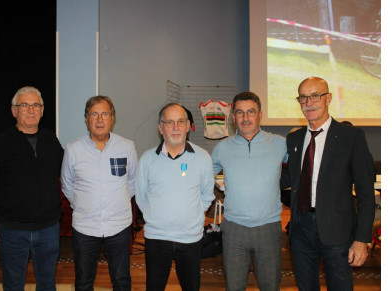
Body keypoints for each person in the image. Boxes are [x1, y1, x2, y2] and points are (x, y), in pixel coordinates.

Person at [281, 77, 375, 290]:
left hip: (338, 232)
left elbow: (366, 194)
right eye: (303, 97)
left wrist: (361, 240)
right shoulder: (294, 139)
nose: (308, 102)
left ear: (328, 98)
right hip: (300, 228)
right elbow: (289, 179)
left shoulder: (351, 136)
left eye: (315, 96)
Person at [0, 86, 64, 291]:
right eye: (24, 105)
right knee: (13, 285)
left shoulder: (51, 140)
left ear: (42, 110)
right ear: (14, 110)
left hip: (49, 228)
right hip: (12, 230)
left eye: (36, 105)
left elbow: (69, 173)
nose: (31, 110)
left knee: (47, 284)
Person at [211, 91, 287, 291]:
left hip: (269, 228)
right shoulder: (222, 148)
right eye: (240, 113)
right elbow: (201, 178)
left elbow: (304, 169)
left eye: (251, 112)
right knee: (234, 287)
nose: (245, 118)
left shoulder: (280, 144)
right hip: (234, 229)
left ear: (260, 115)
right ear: (233, 117)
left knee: (270, 286)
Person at [61, 96, 138, 291]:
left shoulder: (127, 147)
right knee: (84, 282)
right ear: (86, 119)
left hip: (119, 226)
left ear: (112, 118)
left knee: (121, 281)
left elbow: (133, 181)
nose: (99, 119)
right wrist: (83, 204)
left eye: (104, 114)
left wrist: (117, 202)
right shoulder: (73, 149)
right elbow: (67, 184)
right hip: (85, 226)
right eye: (94, 114)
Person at [135, 103, 215, 291]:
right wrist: (158, 218)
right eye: (169, 122)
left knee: (191, 287)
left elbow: (207, 195)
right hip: (156, 238)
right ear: (160, 128)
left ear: (188, 126)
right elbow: (141, 196)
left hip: (190, 238)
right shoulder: (147, 159)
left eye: (180, 122)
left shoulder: (203, 158)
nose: (176, 127)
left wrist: (190, 216)